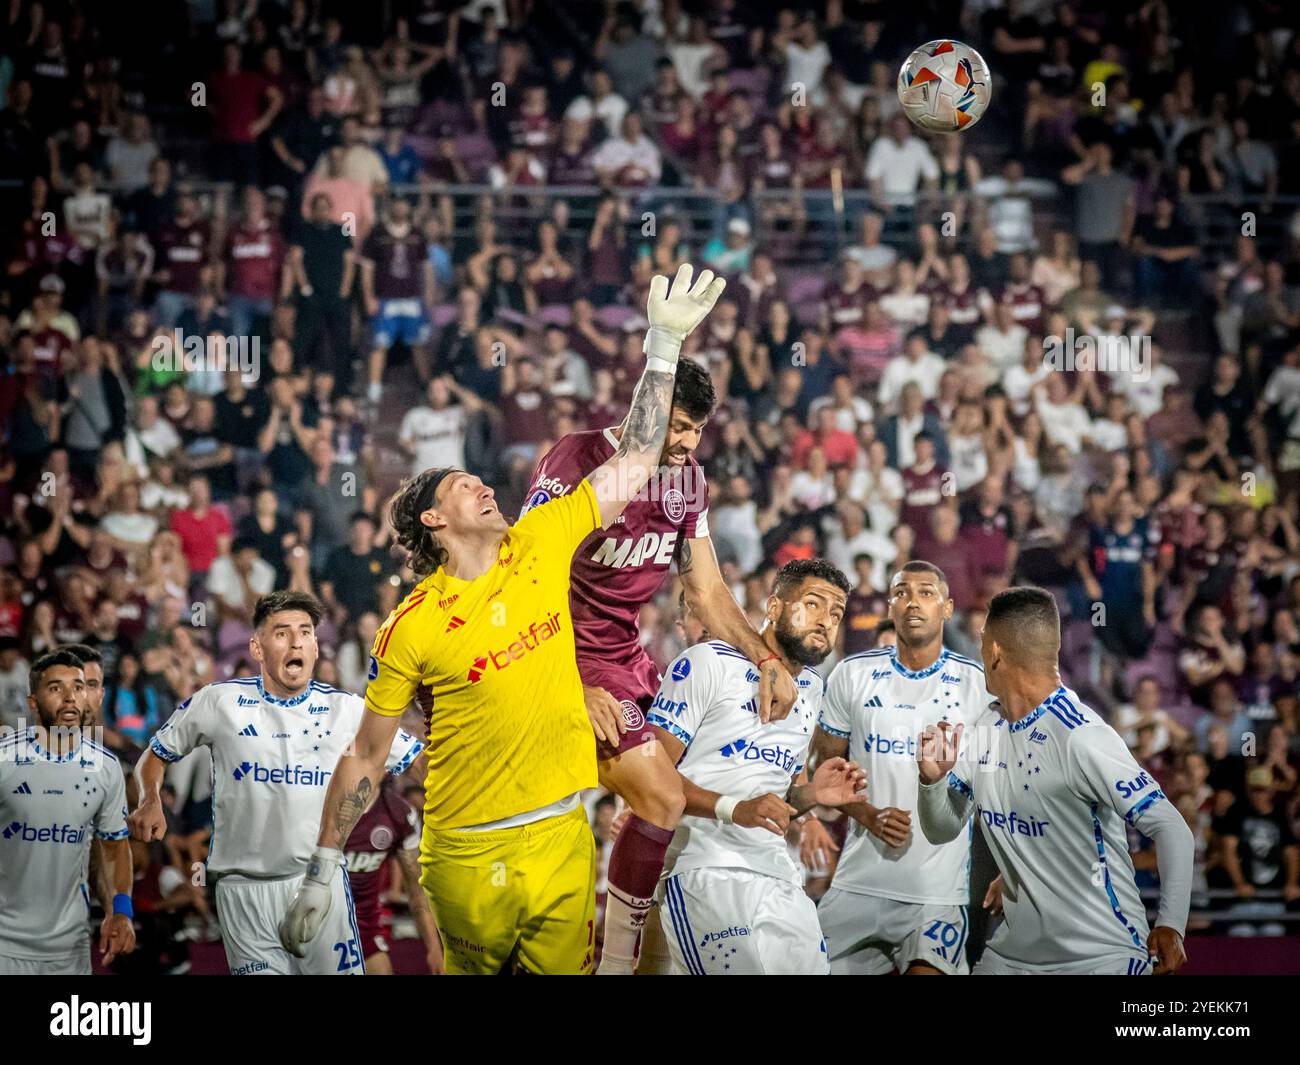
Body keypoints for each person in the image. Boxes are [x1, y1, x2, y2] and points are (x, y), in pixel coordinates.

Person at [280, 264, 728, 975]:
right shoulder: (411, 625)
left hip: (557, 840)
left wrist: (662, 347)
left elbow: (639, 454)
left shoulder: (544, 541)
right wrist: (320, 866)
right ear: (434, 518)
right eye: (465, 485)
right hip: (464, 850)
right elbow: (367, 756)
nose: (486, 484)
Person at [521, 355, 800, 973]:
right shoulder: (576, 460)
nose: (684, 442)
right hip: (557, 653)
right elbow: (524, 578)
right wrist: (568, 684)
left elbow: (706, 591)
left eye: (696, 429)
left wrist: (765, 656)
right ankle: (615, 966)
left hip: (628, 662)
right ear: (641, 410)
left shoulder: (688, 480)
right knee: (662, 799)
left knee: (686, 792)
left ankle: (651, 961)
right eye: (675, 425)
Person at [128, 591, 423, 975]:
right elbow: (154, 754)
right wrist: (150, 798)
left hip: (321, 884)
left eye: (305, 632)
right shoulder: (219, 702)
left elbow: (419, 762)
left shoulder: (348, 710)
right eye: (282, 633)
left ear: (317, 647)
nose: (297, 641)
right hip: (242, 892)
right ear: (256, 647)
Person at [916, 586, 1194, 975]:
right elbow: (942, 829)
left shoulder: (1081, 737)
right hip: (1011, 957)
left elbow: (1172, 827)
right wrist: (931, 781)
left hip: (1099, 956)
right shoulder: (986, 726)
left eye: (981, 645)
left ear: (995, 652)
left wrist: (1170, 924)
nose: (979, 656)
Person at [646, 559, 863, 974]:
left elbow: (774, 802)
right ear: (775, 607)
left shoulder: (812, 689)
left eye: (836, 614)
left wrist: (812, 795)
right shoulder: (708, 663)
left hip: (779, 877)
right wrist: (736, 809)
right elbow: (650, 778)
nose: (826, 622)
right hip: (704, 870)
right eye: (813, 605)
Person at [807, 561, 991, 975]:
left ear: (947, 607)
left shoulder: (978, 685)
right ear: (889, 606)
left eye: (926, 593)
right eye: (902, 592)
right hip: (858, 884)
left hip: (937, 895)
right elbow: (825, 772)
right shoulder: (852, 675)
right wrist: (868, 815)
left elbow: (996, 785)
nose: (913, 602)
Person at [0, 649, 135, 974]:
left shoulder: (105, 768)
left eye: (78, 687)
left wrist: (120, 911)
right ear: (33, 702)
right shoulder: (4, 760)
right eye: (55, 688)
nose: (70, 697)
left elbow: (114, 849)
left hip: (69, 947)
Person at [341, 776, 443, 975]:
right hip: (318, 920)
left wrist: (433, 948)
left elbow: (417, 891)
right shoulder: (324, 804)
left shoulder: (399, 814)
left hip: (363, 926)